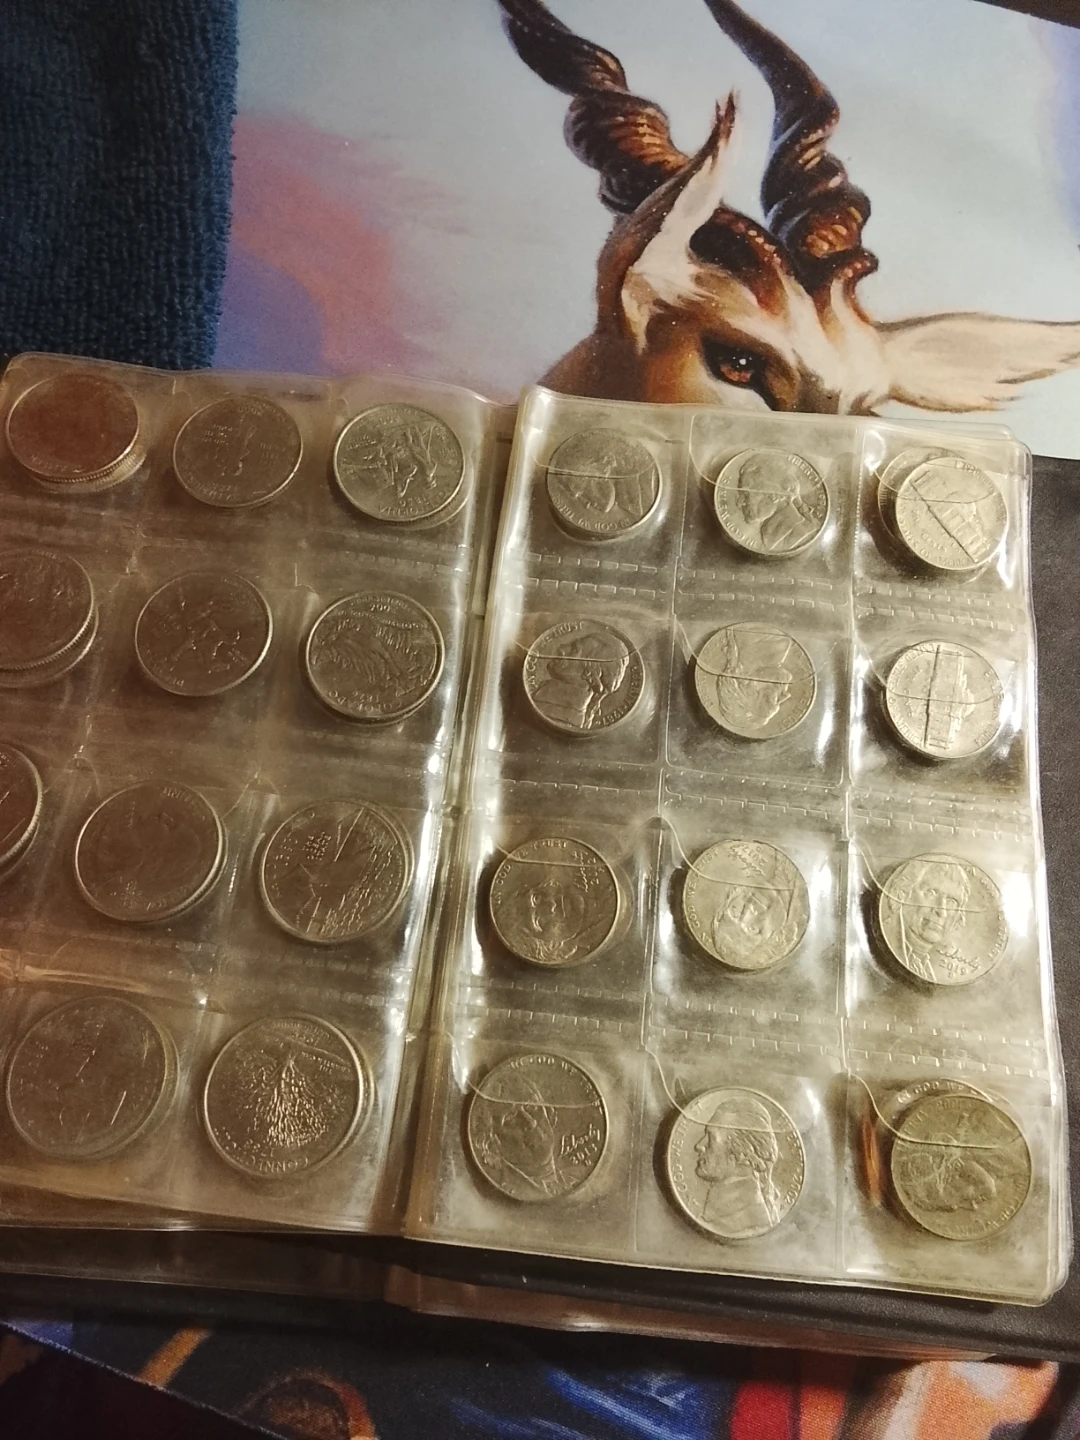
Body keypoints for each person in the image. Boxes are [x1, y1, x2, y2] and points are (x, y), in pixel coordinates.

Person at [694, 1093, 785, 1235]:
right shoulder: (722, 1212)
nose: (699, 1146)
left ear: (741, 1152)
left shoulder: (743, 1223)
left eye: (711, 1137)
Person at [888, 858, 973, 982]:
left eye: (952, 902)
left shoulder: (925, 968)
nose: (942, 911)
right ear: (902, 893)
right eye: (931, 893)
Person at [531, 630, 630, 731]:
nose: (562, 648)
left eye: (574, 650)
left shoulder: (558, 715)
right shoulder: (545, 699)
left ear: (590, 674)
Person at [729, 453, 821, 553]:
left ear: (776, 494)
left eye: (747, 494)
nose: (739, 503)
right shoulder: (770, 535)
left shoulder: (801, 533)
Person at [710, 627, 795, 735]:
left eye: (771, 700)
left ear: (750, 688)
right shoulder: (777, 647)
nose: (786, 695)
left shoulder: (750, 638)